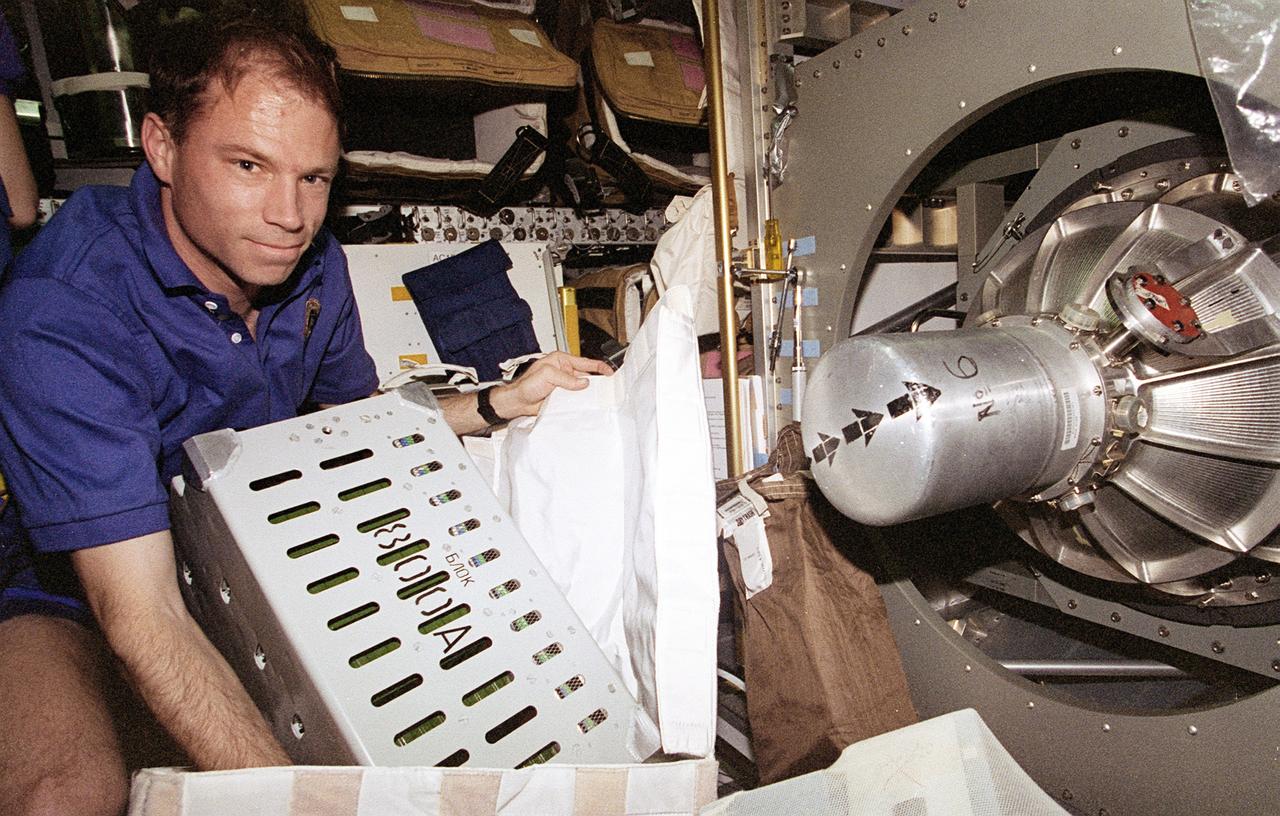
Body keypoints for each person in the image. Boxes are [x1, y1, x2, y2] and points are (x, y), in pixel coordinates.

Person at [0, 8, 609, 816]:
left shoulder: (310, 264)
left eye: (315, 177)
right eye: (249, 165)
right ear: (162, 147)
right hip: (78, 585)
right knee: (64, 793)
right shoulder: (65, 308)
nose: (291, 215)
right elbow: (141, 615)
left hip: (252, 543)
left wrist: (498, 403)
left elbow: (361, 422)